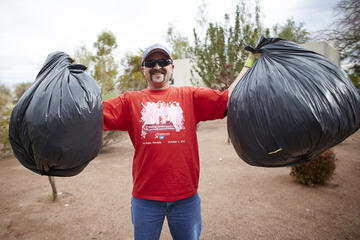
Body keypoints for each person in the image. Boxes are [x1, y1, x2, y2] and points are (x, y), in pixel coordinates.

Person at [102, 43, 256, 240]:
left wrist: (249, 63)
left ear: (172, 67)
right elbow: (90, 113)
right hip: (145, 199)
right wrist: (73, 83)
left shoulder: (190, 96)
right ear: (144, 69)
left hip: (186, 198)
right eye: (151, 62)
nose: (157, 67)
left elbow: (228, 99)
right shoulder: (129, 101)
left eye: (163, 61)